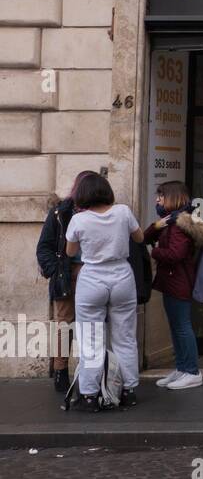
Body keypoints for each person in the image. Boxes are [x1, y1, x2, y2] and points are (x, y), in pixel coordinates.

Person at [64, 173, 144, 411]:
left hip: (92, 278)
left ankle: (90, 395)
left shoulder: (79, 220)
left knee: (90, 340)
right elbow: (139, 238)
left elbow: (70, 252)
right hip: (121, 275)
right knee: (125, 338)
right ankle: (129, 390)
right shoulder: (123, 212)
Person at [143, 181, 203, 390]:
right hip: (173, 281)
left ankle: (192, 371)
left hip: (178, 281)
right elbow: (145, 237)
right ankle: (182, 368)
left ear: (172, 197)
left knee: (182, 327)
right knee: (176, 326)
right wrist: (156, 226)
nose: (157, 200)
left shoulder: (180, 226)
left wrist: (153, 253)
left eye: (161, 196)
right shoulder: (171, 222)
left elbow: (175, 255)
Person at [35, 170, 98, 395]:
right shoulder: (60, 212)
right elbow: (44, 247)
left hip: (94, 273)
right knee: (64, 323)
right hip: (67, 273)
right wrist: (57, 271)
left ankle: (92, 372)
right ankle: (61, 371)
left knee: (93, 325)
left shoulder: (102, 211)